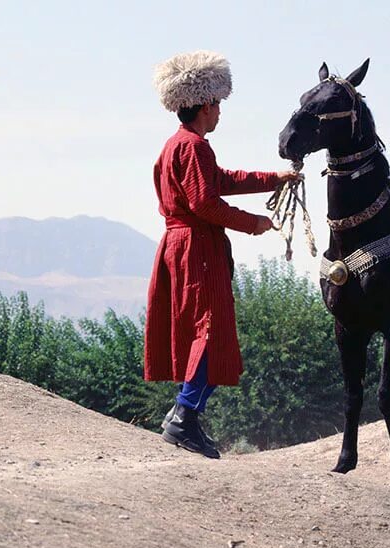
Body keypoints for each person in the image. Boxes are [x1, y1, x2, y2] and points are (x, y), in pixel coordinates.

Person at [144, 50, 300, 458]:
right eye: (218, 106)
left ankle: (185, 416)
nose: (220, 114)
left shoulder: (177, 146)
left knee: (202, 331)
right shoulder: (194, 147)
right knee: (209, 332)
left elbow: (221, 181)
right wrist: (255, 223)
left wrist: (274, 179)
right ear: (205, 105)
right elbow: (206, 203)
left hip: (184, 246)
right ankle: (183, 416)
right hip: (198, 248)